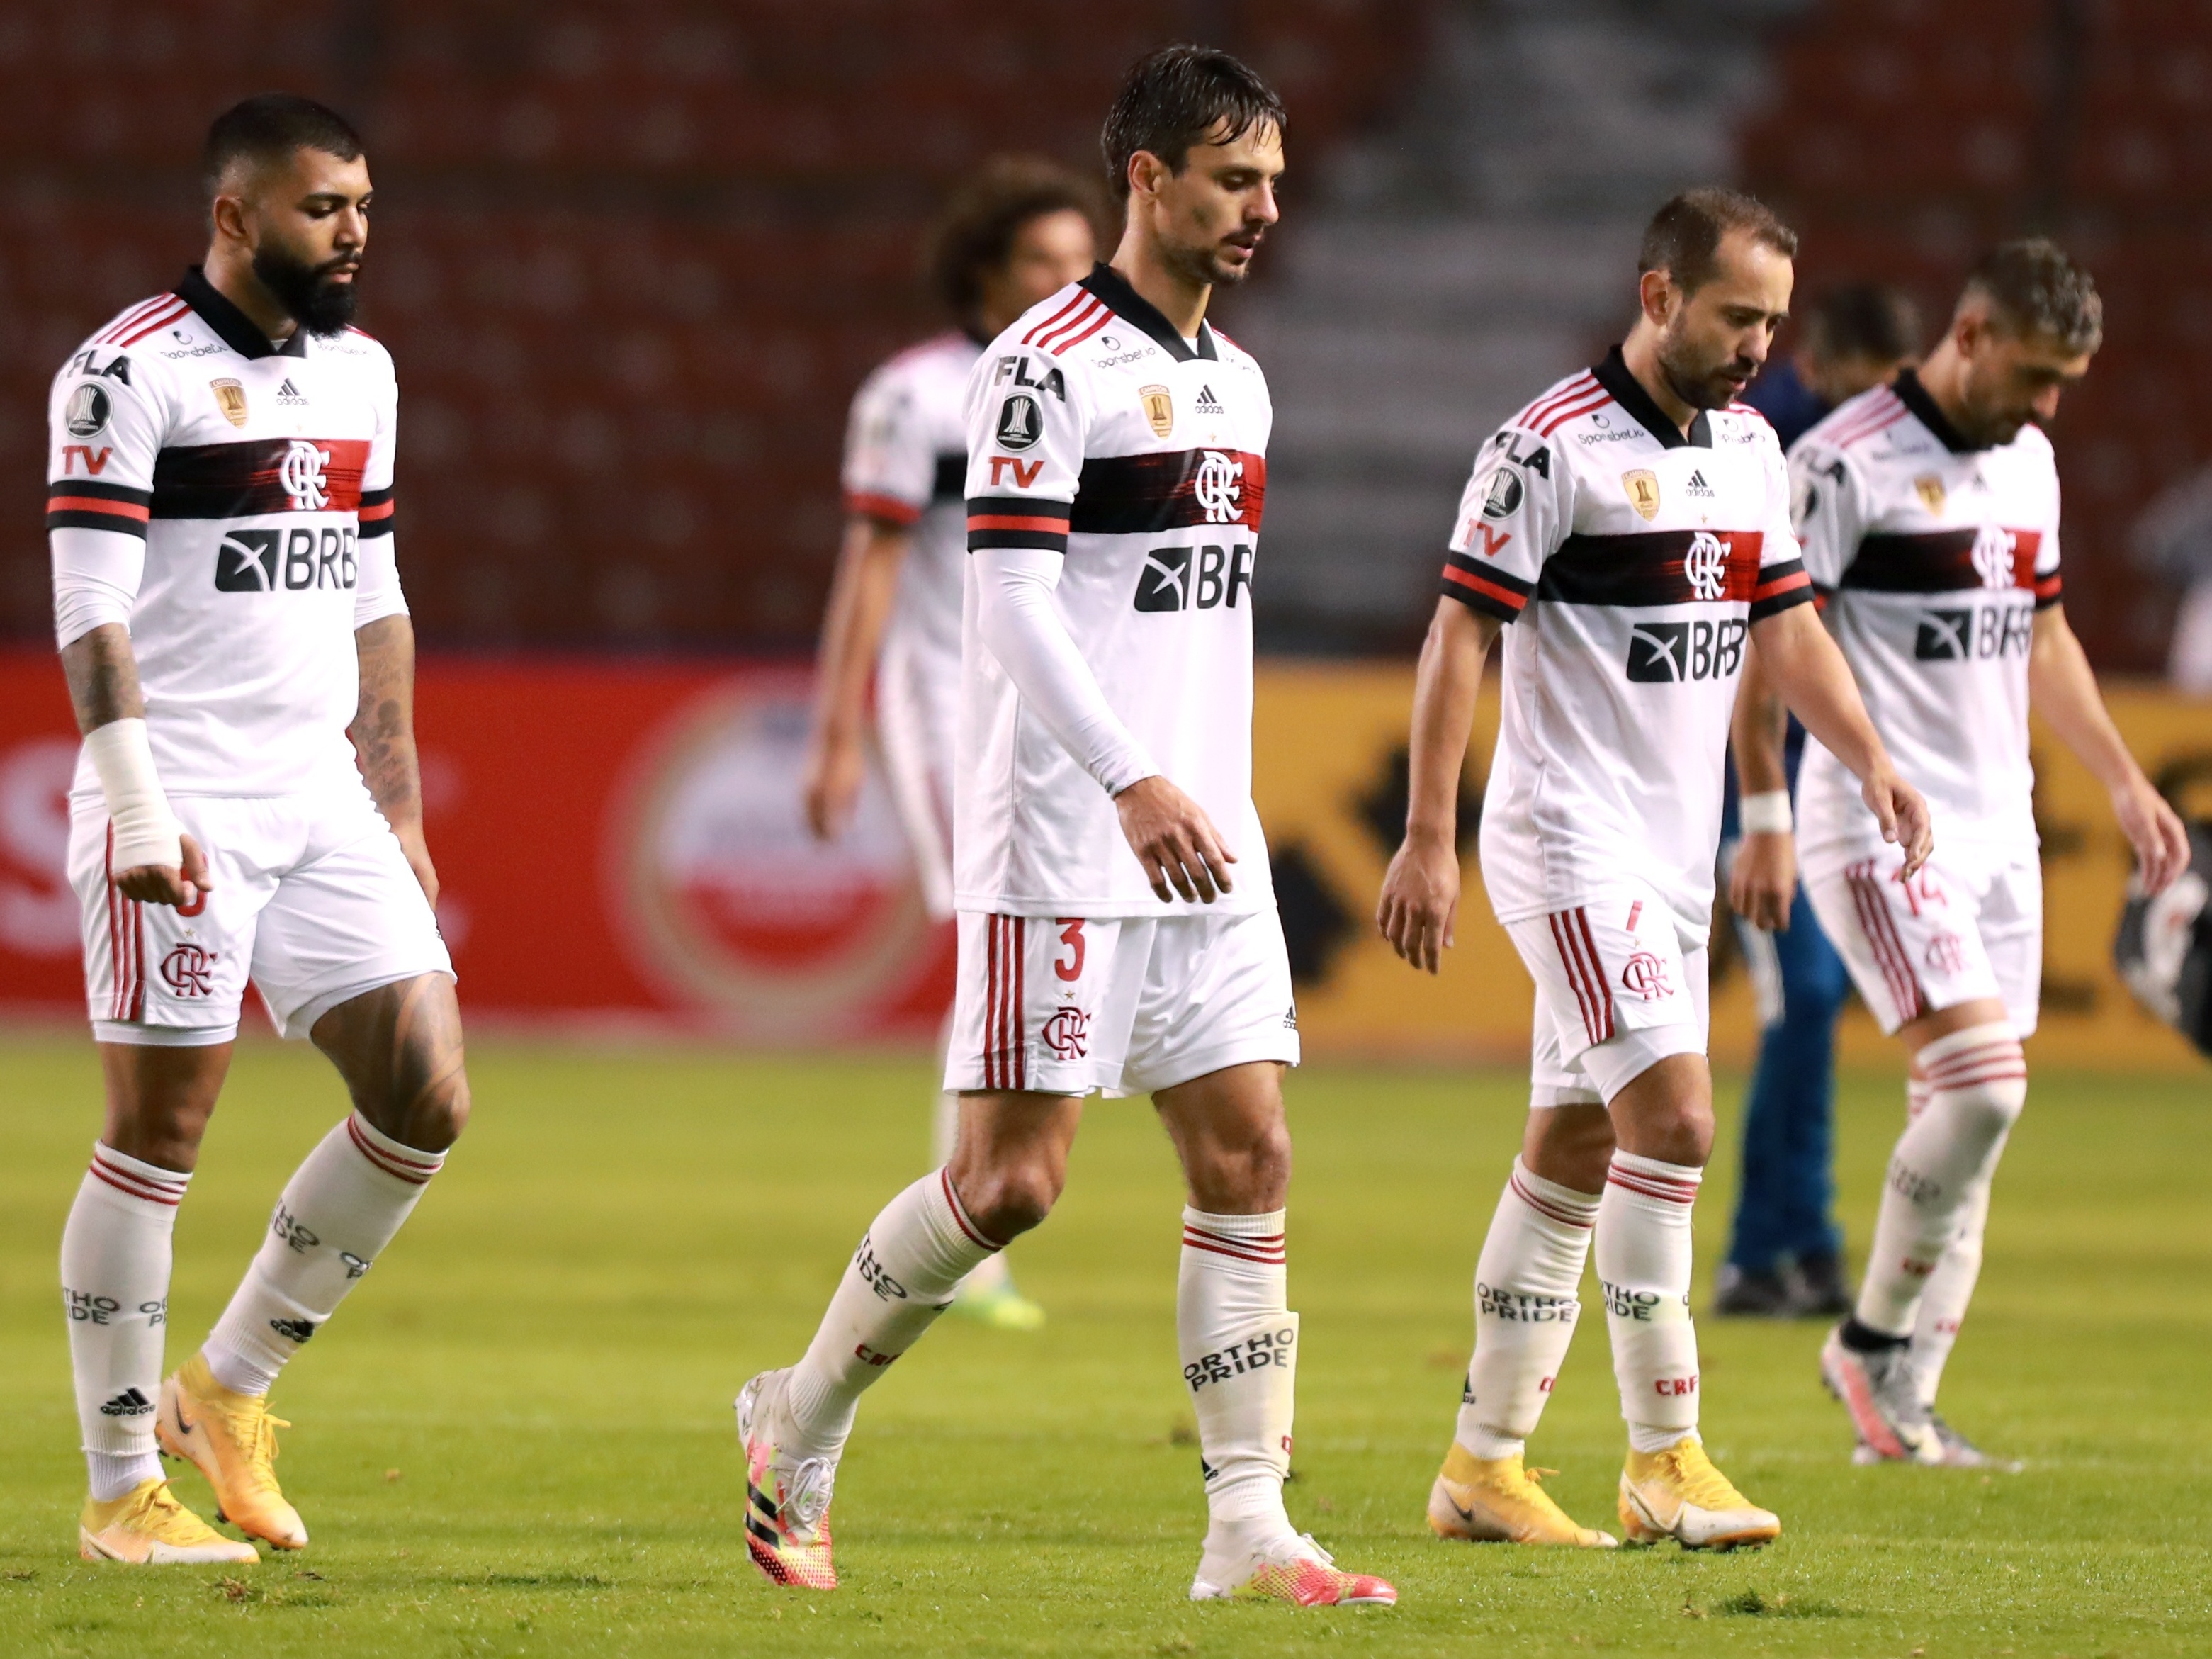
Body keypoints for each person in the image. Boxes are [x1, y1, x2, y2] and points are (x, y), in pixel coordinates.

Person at [734, 45, 1394, 1607]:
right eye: (1235, 180)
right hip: (1063, 830)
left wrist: (1190, 786)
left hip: (1202, 835)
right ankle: (797, 1419)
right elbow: (1013, 601)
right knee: (1013, 1184)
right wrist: (1127, 777)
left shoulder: (1239, 381)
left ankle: (1248, 1525)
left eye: (1275, 182)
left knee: (1249, 1150)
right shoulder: (1040, 367)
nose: (1263, 210)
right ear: (1147, 179)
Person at [1377, 189, 1932, 1551]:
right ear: (1659, 293)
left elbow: (1784, 625)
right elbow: (1459, 638)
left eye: (1774, 322)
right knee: (1673, 1124)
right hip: (1568, 835)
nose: (1759, 346)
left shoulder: (1751, 451)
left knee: (1571, 1147)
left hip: (1668, 849)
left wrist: (1866, 759)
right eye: (1739, 316)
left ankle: (1480, 1468)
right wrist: (1427, 833)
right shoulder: (1542, 449)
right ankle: (1663, 1455)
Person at [50, 95, 468, 1565]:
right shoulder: (124, 374)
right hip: (182, 795)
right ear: (234, 217)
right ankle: (117, 1494)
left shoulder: (365, 374)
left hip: (316, 792)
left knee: (426, 1094)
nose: (351, 229)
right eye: (319, 207)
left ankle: (225, 1387)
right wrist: (141, 808)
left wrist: (398, 800)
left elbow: (373, 588)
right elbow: (89, 610)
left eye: (361, 202)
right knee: (160, 1132)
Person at [1754, 241, 2191, 1466]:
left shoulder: (2029, 463)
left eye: (2069, 382)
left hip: (2004, 824)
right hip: (1884, 823)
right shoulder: (1841, 463)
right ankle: (1865, 1343)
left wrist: (2119, 778)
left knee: (1973, 1121)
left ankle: (1902, 1409)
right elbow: (1775, 641)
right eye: (2037, 374)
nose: (2049, 406)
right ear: (1971, 332)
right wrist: (1771, 809)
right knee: (1983, 1085)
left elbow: (2043, 634)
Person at [801, 157, 1100, 1333]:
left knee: (1017, 940)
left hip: (1055, 707)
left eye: (1082, 261)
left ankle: (973, 1215)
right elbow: (868, 571)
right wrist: (837, 734)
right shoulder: (914, 398)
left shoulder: (1097, 387)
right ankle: (973, 1235)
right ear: (985, 271)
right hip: (944, 700)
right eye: (1042, 261)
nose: (1066, 281)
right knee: (993, 930)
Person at [1717, 283, 1924, 1319]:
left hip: (1824, 788)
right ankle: (1770, 1245)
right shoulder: (1771, 443)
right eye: (1870, 387)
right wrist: (1759, 816)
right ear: (1824, 365)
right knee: (1797, 1003)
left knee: (1811, 1010)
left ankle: (1792, 1244)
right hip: (1748, 797)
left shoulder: (1855, 449)